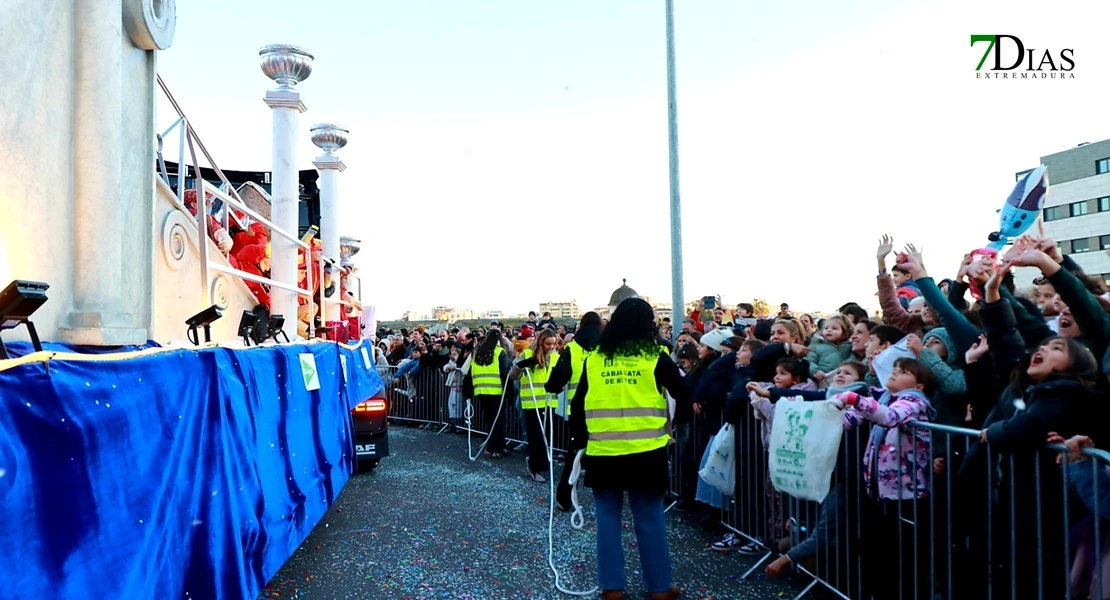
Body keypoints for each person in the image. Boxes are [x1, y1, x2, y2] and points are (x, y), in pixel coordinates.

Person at [568, 298, 690, 600]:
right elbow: (683, 393)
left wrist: (580, 442)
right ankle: (660, 587)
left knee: (607, 521)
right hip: (647, 451)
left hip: (603, 451)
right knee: (649, 519)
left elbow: (578, 402)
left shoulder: (594, 358)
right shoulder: (656, 356)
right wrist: (678, 427)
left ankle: (612, 587)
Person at [544, 311, 603, 509]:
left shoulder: (574, 348)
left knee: (575, 456)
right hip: (607, 411)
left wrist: (551, 387)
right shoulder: (608, 346)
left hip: (578, 411)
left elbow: (557, 379)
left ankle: (565, 497)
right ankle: (606, 499)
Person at [510, 328, 561, 482]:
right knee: (536, 437)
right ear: (540, 343)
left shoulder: (556, 357)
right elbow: (512, 376)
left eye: (553, 344)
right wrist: (521, 366)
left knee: (547, 437)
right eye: (548, 344)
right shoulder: (526, 354)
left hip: (549, 402)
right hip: (531, 402)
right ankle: (535, 468)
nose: (551, 347)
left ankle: (538, 464)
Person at [465, 329, 513, 457]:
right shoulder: (499, 353)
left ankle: (494, 446)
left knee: (490, 420)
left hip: (481, 391)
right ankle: (495, 448)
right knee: (499, 421)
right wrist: (510, 393)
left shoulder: (477, 353)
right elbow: (505, 374)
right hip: (496, 391)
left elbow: (470, 373)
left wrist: (467, 391)